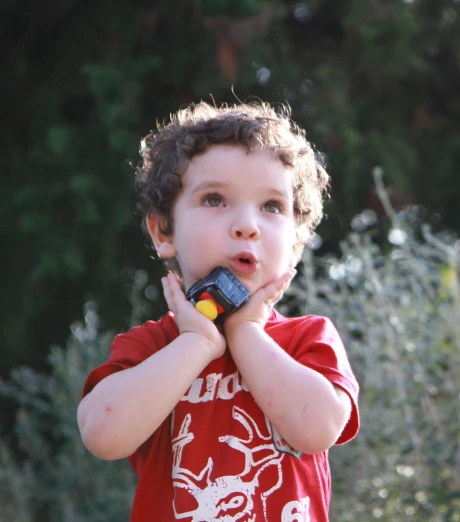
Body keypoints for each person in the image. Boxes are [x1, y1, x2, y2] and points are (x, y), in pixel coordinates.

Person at [77, 102, 360, 522]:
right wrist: (196, 341)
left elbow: (318, 428)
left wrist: (246, 331)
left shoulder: (307, 339)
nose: (247, 224)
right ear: (163, 232)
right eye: (215, 199)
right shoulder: (155, 346)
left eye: (271, 206)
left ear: (296, 244)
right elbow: (103, 434)